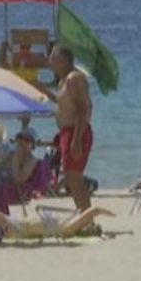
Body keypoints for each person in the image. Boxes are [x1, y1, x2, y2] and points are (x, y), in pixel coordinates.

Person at [50, 45, 94, 212]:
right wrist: (40, 89)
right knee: (71, 177)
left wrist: (76, 140)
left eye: (53, 59)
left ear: (63, 60)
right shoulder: (64, 80)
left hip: (76, 132)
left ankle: (87, 218)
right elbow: (64, 104)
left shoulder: (74, 79)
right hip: (67, 132)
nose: (50, 63)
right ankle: (84, 216)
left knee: (74, 177)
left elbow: (84, 109)